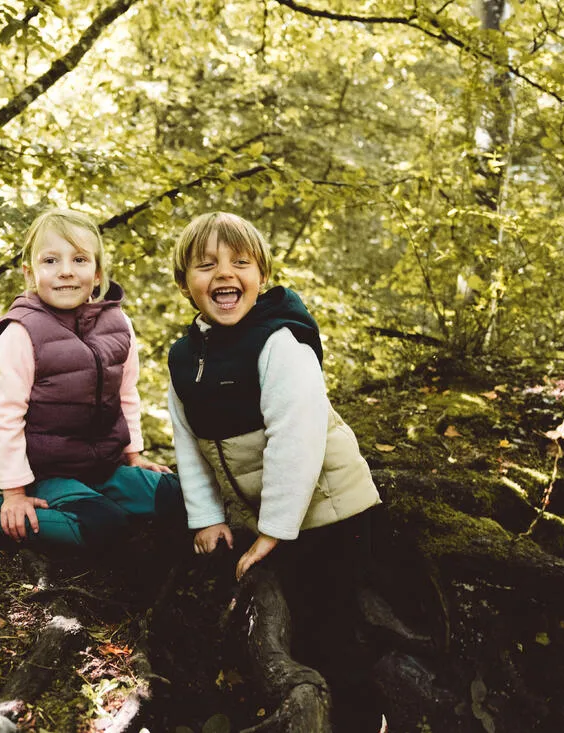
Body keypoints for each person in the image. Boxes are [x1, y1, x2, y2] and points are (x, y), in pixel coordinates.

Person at [166, 211, 385, 732]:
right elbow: (188, 443)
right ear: (184, 285)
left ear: (261, 278)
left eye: (241, 262)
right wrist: (205, 518)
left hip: (333, 512)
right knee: (292, 620)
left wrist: (272, 532)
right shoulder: (184, 359)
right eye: (206, 265)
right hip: (276, 519)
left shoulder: (278, 342)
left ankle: (362, 718)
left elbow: (296, 440)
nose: (225, 274)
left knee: (333, 625)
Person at [0, 208, 183, 548]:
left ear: (97, 274)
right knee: (106, 528)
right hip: (48, 474)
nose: (65, 271)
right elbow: (5, 417)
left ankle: (107, 499)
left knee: (182, 498)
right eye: (50, 261)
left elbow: (125, 393)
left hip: (106, 468)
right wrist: (14, 492)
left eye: (79, 260)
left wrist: (134, 456)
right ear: (30, 273)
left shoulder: (118, 324)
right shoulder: (21, 332)